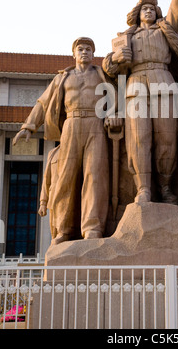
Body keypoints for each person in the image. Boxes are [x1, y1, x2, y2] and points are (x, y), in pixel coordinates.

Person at [102, 0, 178, 204]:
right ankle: (143, 188)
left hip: (163, 85)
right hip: (135, 88)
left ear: (157, 12)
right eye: (143, 8)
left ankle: (165, 187)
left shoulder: (166, 30)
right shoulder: (126, 37)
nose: (148, 12)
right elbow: (108, 67)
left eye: (152, 9)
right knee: (138, 139)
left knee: (166, 138)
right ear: (137, 13)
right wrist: (116, 58)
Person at [13, 37, 120, 244]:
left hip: (95, 123)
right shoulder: (63, 78)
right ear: (74, 53)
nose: (84, 52)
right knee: (65, 177)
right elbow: (43, 102)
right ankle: (63, 229)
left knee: (95, 175)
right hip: (71, 124)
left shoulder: (101, 75)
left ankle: (93, 227)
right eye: (80, 49)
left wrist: (114, 113)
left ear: (93, 53)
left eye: (89, 49)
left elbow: (116, 98)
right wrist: (29, 126)